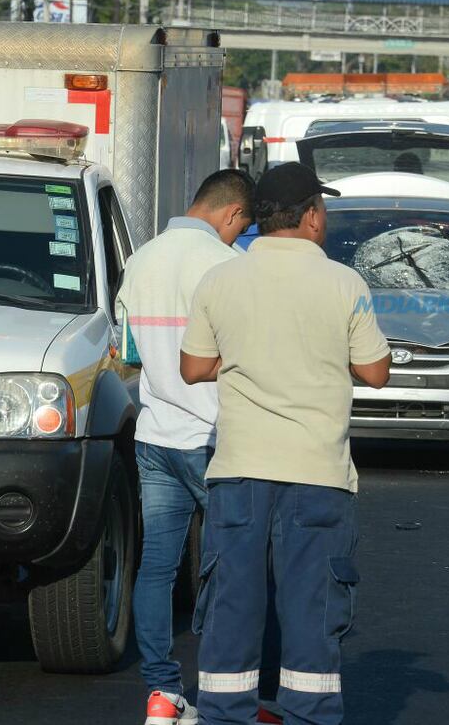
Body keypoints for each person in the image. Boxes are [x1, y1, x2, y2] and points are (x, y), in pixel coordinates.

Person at [179, 162, 392, 725]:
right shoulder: (345, 284)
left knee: (233, 606)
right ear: (313, 217)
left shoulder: (221, 280)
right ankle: (309, 715)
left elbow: (194, 366)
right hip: (318, 474)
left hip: (240, 472)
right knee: (313, 611)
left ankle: (224, 715)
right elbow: (374, 372)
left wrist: (247, 358)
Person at [115, 169, 254, 725]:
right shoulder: (227, 267)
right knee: (230, 569)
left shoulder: (141, 259)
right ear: (232, 215)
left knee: (157, 568)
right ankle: (227, 691)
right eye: (240, 226)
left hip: (155, 435)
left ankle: (161, 693)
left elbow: (126, 349)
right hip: (214, 438)